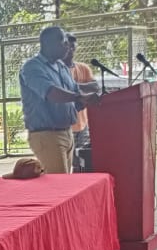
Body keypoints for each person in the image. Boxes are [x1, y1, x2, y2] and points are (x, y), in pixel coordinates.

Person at [19, 25, 102, 174]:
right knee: (58, 182)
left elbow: (74, 91)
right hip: (47, 136)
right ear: (49, 43)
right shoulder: (32, 67)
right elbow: (52, 93)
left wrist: (87, 99)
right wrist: (80, 96)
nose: (68, 46)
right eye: (64, 42)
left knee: (65, 180)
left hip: (66, 132)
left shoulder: (62, 67)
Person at [65, 33, 99, 168]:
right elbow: (61, 90)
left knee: (83, 161)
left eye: (73, 47)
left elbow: (95, 86)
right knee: (69, 162)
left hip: (83, 124)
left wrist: (74, 88)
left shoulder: (83, 68)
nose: (71, 50)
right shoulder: (57, 71)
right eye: (68, 47)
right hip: (65, 126)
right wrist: (81, 89)